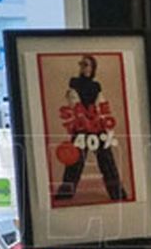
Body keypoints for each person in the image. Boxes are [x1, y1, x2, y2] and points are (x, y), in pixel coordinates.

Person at [55, 55, 129, 202]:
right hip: (81, 126)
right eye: (82, 65)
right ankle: (65, 194)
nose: (84, 68)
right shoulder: (74, 83)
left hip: (96, 126)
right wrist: (83, 118)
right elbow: (73, 102)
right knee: (74, 161)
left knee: (106, 160)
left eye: (87, 65)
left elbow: (101, 104)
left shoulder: (96, 86)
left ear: (92, 68)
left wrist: (100, 120)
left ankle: (117, 193)